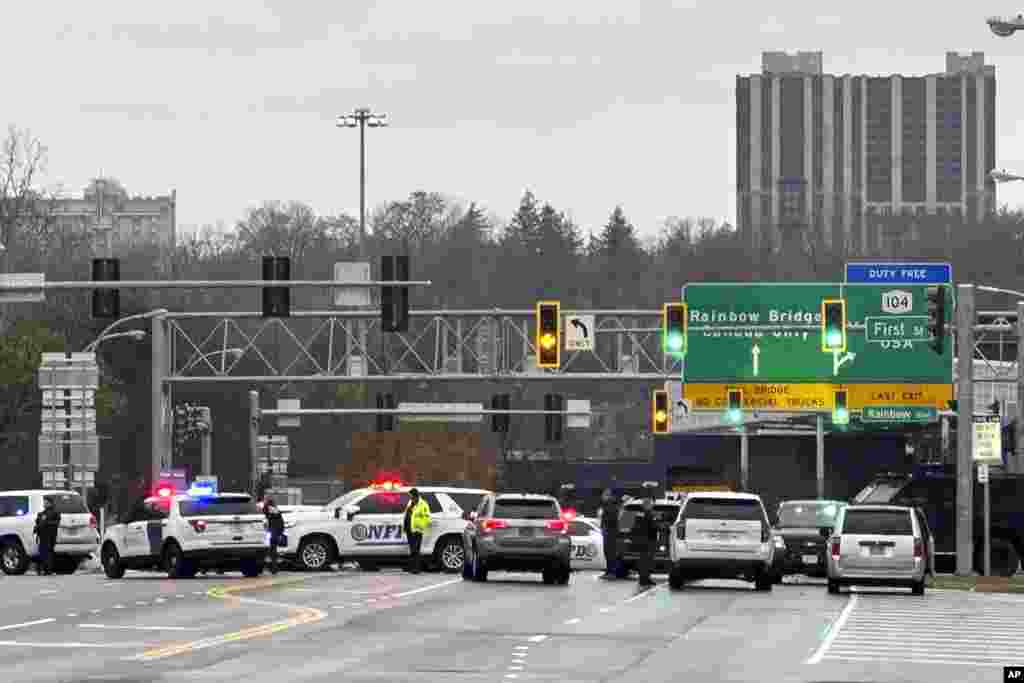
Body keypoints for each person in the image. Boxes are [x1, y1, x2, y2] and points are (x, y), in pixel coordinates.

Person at [403, 488, 432, 574]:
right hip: (409, 530)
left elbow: (428, 518)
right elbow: (407, 514)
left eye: (411, 496)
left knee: (416, 550)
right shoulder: (410, 503)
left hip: (417, 530)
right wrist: (405, 526)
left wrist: (420, 526)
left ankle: (416, 568)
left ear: (415, 495)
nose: (410, 497)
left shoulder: (423, 504)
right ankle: (412, 567)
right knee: (412, 550)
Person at [632, 497, 658, 588]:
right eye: (650, 504)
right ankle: (644, 579)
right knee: (647, 560)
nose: (652, 506)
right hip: (648, 540)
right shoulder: (649, 514)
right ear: (647, 505)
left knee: (643, 560)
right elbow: (653, 526)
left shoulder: (639, 514)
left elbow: (634, 526)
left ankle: (644, 578)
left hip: (641, 540)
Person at [34, 497, 61, 576]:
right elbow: (38, 522)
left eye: (46, 502)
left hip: (50, 535)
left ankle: (49, 570)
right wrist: (36, 527)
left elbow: (56, 523)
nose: (44, 504)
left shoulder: (55, 512)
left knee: (49, 552)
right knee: (42, 552)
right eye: (44, 502)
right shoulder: (42, 513)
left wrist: (46, 523)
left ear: (50, 503)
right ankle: (43, 569)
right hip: (42, 536)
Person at [598, 488, 621, 580]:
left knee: (610, 552)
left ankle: (611, 572)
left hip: (610, 532)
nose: (603, 496)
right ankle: (609, 571)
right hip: (608, 531)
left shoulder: (611, 505)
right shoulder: (607, 505)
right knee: (607, 552)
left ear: (610, 496)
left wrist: (605, 528)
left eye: (605, 495)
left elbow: (611, 519)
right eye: (603, 494)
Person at [263, 496, 285, 574]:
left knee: (267, 551)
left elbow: (265, 520)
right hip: (275, 533)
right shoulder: (277, 511)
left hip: (269, 533)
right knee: (273, 552)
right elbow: (282, 524)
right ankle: (274, 568)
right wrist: (280, 533)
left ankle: (269, 567)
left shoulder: (266, 509)